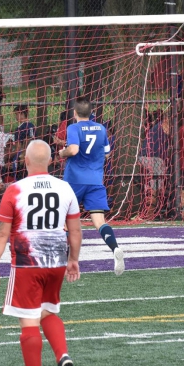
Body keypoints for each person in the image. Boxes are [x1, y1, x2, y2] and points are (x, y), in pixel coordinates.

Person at [0, 140, 80, 366]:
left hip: (27, 262)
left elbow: (1, 232)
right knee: (47, 312)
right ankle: (62, 356)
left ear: (26, 161)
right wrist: (73, 259)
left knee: (28, 321)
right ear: (50, 161)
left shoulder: (15, 190)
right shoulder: (65, 188)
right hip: (57, 262)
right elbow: (75, 230)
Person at [58, 97, 126, 275]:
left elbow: (73, 150)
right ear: (91, 113)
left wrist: (62, 152)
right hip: (95, 180)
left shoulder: (73, 128)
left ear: (74, 113)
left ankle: (66, 263)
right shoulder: (101, 128)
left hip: (74, 181)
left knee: (65, 221)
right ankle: (115, 248)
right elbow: (107, 154)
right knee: (99, 221)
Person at [5, 105, 36, 182]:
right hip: (33, 155)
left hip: (21, 157)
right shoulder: (32, 126)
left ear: (22, 114)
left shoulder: (19, 129)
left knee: (19, 179)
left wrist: (8, 155)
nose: (15, 116)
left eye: (16, 114)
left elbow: (18, 148)